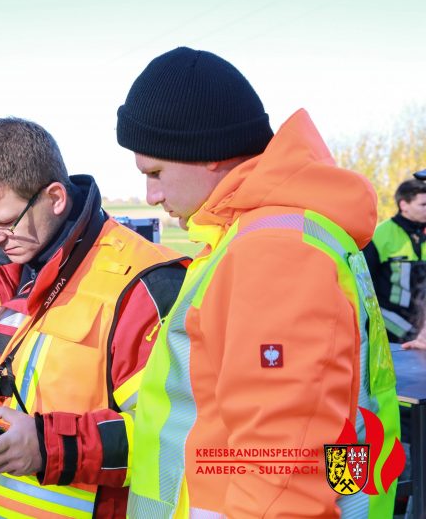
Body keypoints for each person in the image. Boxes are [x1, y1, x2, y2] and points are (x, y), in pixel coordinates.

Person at [116, 47, 401, 517]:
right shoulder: (271, 235)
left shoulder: (273, 250)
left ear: (205, 153)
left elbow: (283, 470)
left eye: (156, 173)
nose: (152, 195)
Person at [0, 117, 188, 518]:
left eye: (4, 223)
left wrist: (50, 446)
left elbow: (174, 437)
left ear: (55, 198)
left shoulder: (145, 285)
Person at [363, 179, 426, 347]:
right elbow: (365, 287)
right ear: (404, 205)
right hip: (391, 327)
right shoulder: (380, 235)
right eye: (423, 205)